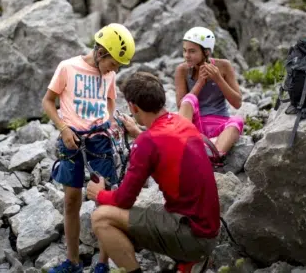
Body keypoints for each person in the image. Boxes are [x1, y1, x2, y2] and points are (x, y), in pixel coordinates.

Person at [86, 71, 220, 273]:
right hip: (209, 230)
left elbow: (124, 200)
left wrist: (99, 194)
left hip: (193, 237)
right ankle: (188, 263)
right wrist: (139, 133)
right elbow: (163, 145)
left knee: (101, 217)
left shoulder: (147, 143)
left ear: (133, 107)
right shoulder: (182, 122)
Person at [42, 23, 136, 273]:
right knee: (71, 200)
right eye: (113, 63)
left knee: (104, 201)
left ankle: (103, 263)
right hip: (71, 139)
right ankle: (72, 261)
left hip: (100, 140)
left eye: (117, 66)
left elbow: (110, 100)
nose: (114, 69)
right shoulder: (68, 67)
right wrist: (63, 128)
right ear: (101, 52)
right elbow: (48, 101)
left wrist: (109, 121)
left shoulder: (110, 75)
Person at [175, 26, 243, 162]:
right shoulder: (182, 70)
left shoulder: (224, 66)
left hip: (220, 124)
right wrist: (199, 83)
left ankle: (214, 154)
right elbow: (181, 106)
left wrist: (218, 78)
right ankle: (184, 143)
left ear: (206, 52)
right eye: (185, 51)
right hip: (194, 125)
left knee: (238, 120)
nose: (186, 56)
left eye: (192, 51)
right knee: (188, 98)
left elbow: (237, 103)